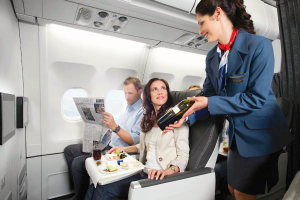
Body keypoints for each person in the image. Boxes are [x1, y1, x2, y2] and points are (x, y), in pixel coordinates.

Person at [164, 0, 293, 199]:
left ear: (217, 13)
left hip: (262, 135)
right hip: (236, 136)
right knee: (233, 189)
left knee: (242, 193)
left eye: (201, 23)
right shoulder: (212, 57)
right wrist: (186, 116)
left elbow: (256, 98)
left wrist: (209, 103)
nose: (200, 31)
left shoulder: (259, 46)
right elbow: (207, 95)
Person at [84, 78, 189, 200]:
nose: (160, 92)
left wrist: (166, 172)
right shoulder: (148, 119)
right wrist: (122, 149)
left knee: (102, 191)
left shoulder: (178, 120)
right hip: (143, 171)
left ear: (167, 93)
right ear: (149, 96)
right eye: (155, 89)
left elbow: (183, 156)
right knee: (94, 186)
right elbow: (142, 145)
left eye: (163, 88)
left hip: (159, 177)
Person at [64, 76, 144, 200]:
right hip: (108, 142)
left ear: (140, 92)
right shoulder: (128, 108)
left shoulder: (142, 112)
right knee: (70, 150)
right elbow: (117, 129)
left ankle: (79, 197)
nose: (127, 96)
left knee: (78, 163)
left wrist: (115, 126)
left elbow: (135, 141)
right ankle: (77, 191)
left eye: (130, 93)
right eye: (125, 93)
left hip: (118, 150)